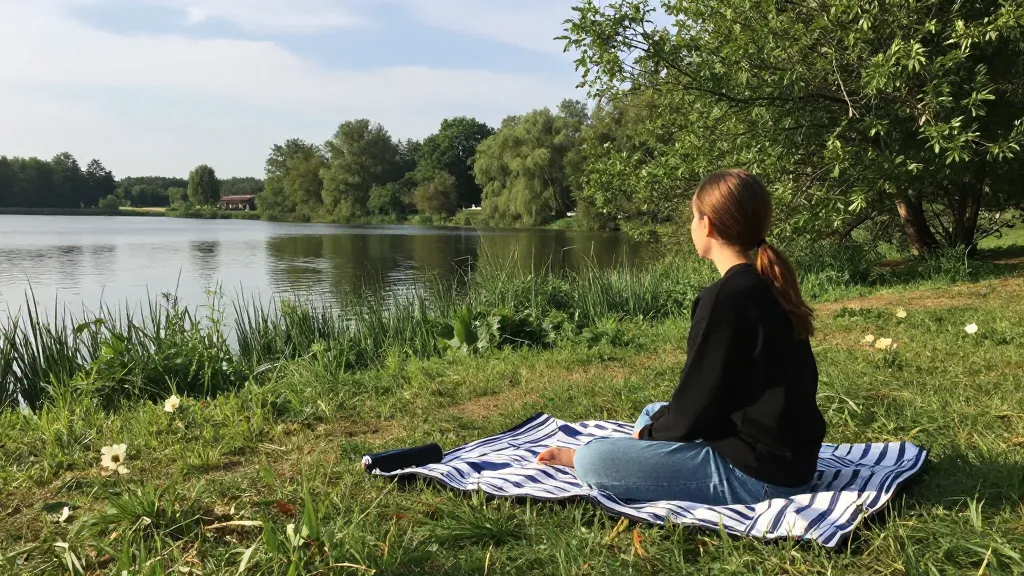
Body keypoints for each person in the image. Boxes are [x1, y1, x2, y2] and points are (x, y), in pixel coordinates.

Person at [537, 169, 826, 505]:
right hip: (789, 458)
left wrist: (648, 437)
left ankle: (595, 457)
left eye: (693, 216)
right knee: (652, 412)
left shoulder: (726, 298)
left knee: (594, 459)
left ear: (707, 225)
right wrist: (655, 428)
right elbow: (719, 395)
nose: (692, 225)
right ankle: (645, 444)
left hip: (759, 476)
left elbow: (695, 407)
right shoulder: (768, 284)